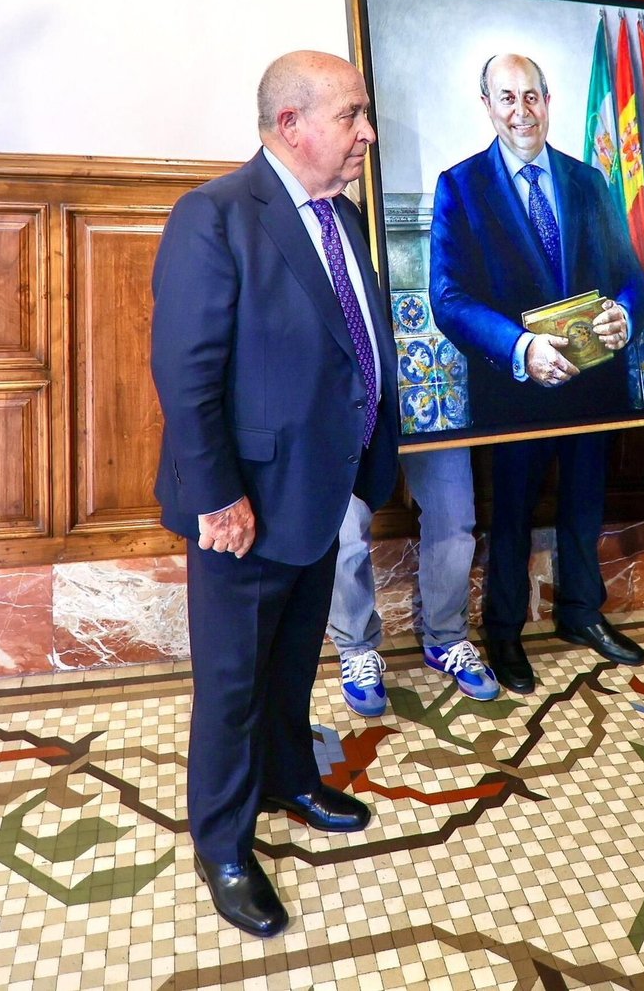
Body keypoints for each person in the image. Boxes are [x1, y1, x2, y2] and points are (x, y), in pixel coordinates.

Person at [149, 51, 397, 937]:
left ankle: (292, 776)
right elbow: (187, 372)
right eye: (352, 116)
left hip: (320, 493)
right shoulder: (214, 215)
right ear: (291, 124)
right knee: (230, 682)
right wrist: (218, 497)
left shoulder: (345, 215)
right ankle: (222, 843)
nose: (367, 133)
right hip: (243, 509)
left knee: (293, 659)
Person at [428, 53, 644, 693]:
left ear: (548, 100)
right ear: (488, 107)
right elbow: (449, 298)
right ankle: (503, 632)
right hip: (514, 387)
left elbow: (632, 278)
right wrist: (520, 347)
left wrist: (624, 316)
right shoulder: (461, 186)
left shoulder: (588, 182)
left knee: (586, 501)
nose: (521, 111)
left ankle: (582, 614)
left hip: (592, 384)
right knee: (513, 515)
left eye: (532, 96)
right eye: (507, 98)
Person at [325, 447, 495, 718]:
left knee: (453, 519)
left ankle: (446, 639)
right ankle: (354, 648)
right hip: (355, 408)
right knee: (347, 532)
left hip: (434, 408)